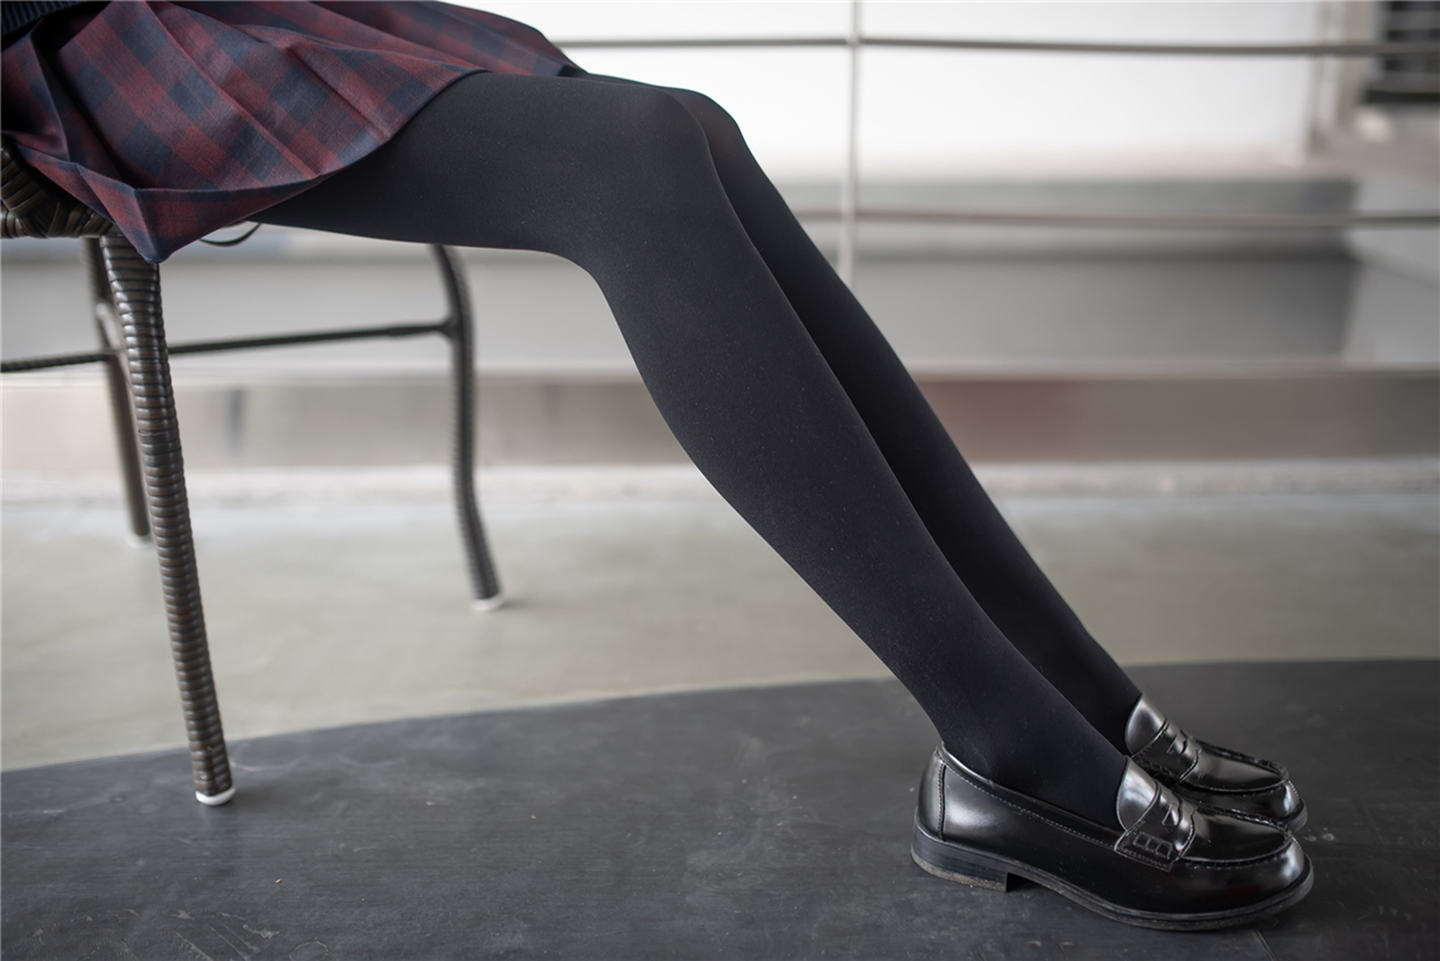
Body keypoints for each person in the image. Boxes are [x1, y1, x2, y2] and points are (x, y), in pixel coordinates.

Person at [2, 0, 1312, 929]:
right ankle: (1008, 746)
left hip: (204, 8)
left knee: (687, 128)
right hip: (65, 44)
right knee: (624, 164)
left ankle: (1069, 697)